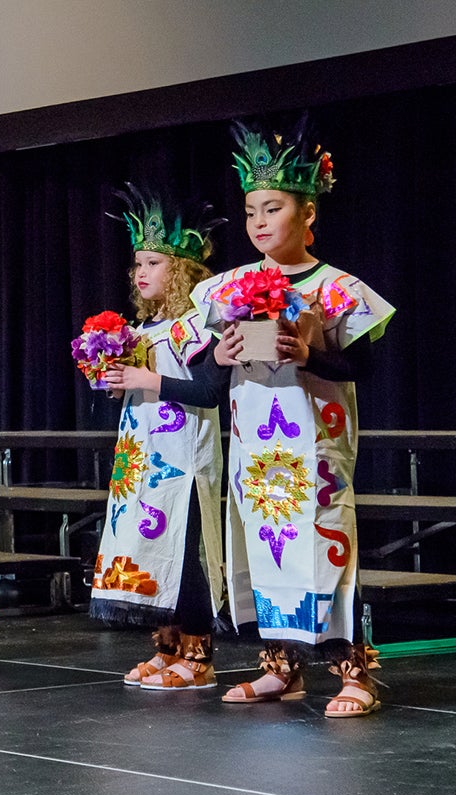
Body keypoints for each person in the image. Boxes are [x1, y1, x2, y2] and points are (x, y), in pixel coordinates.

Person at [193, 119, 394, 717]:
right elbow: (206, 378)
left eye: (273, 208)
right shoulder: (226, 288)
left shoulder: (337, 287)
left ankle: (352, 670)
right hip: (256, 450)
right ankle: (281, 668)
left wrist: (310, 353)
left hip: (315, 447)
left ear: (307, 214)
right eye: (251, 209)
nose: (258, 221)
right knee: (263, 549)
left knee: (324, 548)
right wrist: (220, 355)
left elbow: (365, 367)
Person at [96, 185, 228, 690]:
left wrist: (147, 381)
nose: (141, 272)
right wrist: (117, 383)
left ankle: (198, 655)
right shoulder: (144, 328)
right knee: (150, 551)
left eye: (153, 262)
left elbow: (210, 391)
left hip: (184, 459)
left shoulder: (197, 327)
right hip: (144, 458)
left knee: (186, 552)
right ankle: (167, 643)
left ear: (182, 269)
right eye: (137, 264)